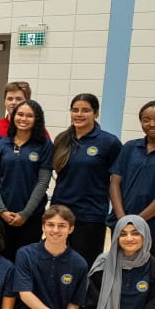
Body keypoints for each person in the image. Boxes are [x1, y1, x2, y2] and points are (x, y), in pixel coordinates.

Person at [12, 205, 88, 309]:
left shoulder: (79, 263)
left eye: (62, 225)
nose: (55, 230)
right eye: (50, 225)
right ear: (43, 227)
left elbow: (75, 302)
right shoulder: (25, 254)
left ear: (71, 229)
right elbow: (24, 293)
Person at [51, 93, 122, 267]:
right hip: (60, 213)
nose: (79, 114)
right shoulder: (62, 139)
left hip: (90, 216)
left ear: (96, 113)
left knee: (85, 266)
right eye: (75, 110)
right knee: (58, 263)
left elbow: (117, 180)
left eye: (85, 110)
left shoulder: (109, 142)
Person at [108, 100, 155, 260]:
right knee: (117, 273)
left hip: (154, 229)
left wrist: (136, 223)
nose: (152, 124)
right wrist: (123, 220)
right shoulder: (130, 147)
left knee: (146, 279)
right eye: (146, 119)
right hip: (121, 224)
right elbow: (115, 183)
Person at [0, 99, 53, 261]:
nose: (23, 119)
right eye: (20, 114)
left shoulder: (44, 145)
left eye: (29, 116)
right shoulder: (2, 144)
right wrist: (1, 211)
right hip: (2, 215)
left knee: (26, 261)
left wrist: (25, 214)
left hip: (31, 216)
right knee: (1, 260)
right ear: (13, 116)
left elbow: (43, 182)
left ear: (37, 119)